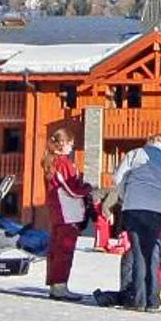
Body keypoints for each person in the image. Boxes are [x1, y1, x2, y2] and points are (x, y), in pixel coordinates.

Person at [107, 135, 161, 311]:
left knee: (137, 254)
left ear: (148, 142)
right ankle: (153, 300)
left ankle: (138, 300)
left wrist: (125, 195)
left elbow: (118, 178)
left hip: (134, 207)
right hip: (157, 211)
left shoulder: (135, 154)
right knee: (151, 253)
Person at [42, 126, 95, 302]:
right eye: (70, 143)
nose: (72, 146)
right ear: (62, 143)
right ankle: (60, 286)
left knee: (56, 250)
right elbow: (71, 189)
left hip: (58, 211)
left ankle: (55, 284)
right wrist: (87, 188)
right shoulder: (63, 162)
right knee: (65, 250)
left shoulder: (51, 161)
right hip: (68, 212)